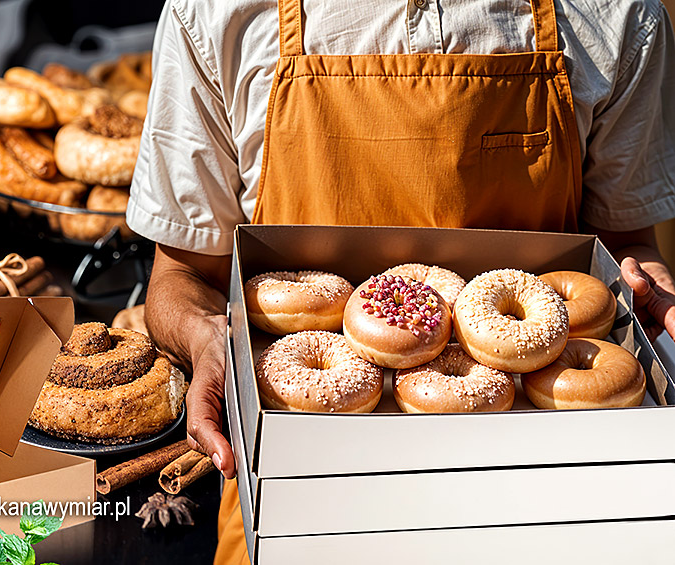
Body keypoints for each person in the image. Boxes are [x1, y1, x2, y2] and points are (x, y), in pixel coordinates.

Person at [126, 0, 675, 562]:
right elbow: (183, 273)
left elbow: (625, 248)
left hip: (539, 497)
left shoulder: (615, 15)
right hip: (300, 499)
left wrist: (655, 297)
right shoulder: (217, 14)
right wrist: (207, 342)